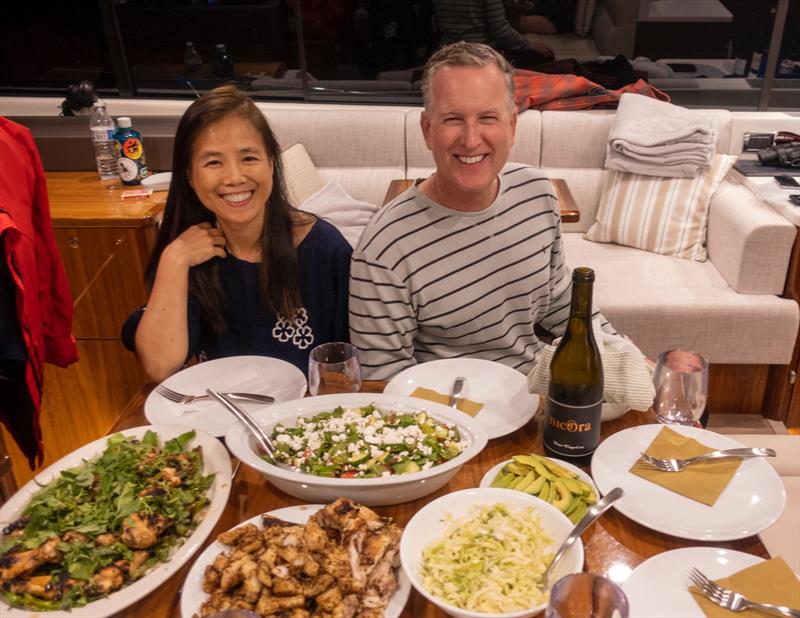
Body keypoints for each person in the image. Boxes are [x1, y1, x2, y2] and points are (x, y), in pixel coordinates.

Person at [348, 41, 617, 379]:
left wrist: (625, 356)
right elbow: (383, 377)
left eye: (488, 118)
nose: (471, 139)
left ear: (512, 126)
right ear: (428, 131)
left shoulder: (538, 193)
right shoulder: (383, 247)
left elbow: (560, 301)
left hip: (535, 396)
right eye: (453, 119)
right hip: (442, 417)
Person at [122, 85, 351, 381]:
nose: (234, 178)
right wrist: (174, 259)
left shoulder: (324, 247)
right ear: (189, 175)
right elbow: (159, 365)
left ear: (271, 163)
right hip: (221, 415)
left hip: (308, 417)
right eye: (213, 162)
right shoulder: (190, 256)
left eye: (249, 158)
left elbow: (349, 362)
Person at [432, 0, 554, 63]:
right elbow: (501, 31)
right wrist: (530, 45)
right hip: (480, 52)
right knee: (545, 56)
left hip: (447, 50)